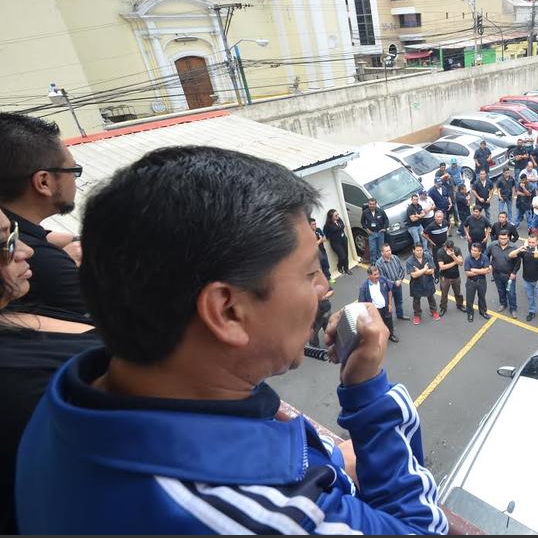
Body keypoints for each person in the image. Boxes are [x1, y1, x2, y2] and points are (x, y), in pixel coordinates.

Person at [15, 146, 448, 535]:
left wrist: (332, 463)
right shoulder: (262, 512)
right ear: (226, 311)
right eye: (309, 273)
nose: (322, 289)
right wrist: (369, 396)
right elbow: (420, 529)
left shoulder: (70, 402)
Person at [0, 208, 99, 534]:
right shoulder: (27, 388)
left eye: (17, 233)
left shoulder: (14, 310)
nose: (26, 250)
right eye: (7, 243)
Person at [0, 113, 86, 321]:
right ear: (44, 182)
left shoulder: (19, 230)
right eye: (73, 171)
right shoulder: (44, 263)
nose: (24, 251)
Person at [511, 231, 538, 327]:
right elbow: (511, 255)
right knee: (530, 297)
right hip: (527, 279)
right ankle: (532, 311)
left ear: (537, 242)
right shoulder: (525, 250)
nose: (531, 244)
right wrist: (519, 249)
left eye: (533, 242)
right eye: (529, 242)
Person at [358, 265, 397, 342]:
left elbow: (389, 291)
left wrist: (390, 304)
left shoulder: (383, 279)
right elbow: (362, 303)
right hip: (375, 310)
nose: (377, 276)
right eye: (375, 274)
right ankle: (380, 338)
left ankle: (390, 335)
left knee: (389, 322)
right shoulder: (364, 287)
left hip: (386, 307)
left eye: (378, 273)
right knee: (377, 325)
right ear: (369, 276)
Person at [487, 230, 519, 317]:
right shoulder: (492, 245)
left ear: (508, 238)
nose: (503, 240)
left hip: (509, 275)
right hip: (496, 274)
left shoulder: (514, 248)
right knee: (500, 290)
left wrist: (514, 273)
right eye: (501, 238)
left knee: (511, 292)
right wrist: (489, 265)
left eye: (505, 238)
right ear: (498, 238)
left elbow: (518, 262)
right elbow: (486, 255)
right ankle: (503, 304)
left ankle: (513, 308)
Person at [407, 243, 439, 324]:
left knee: (431, 297)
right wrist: (425, 269)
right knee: (416, 300)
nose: (419, 252)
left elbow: (432, 270)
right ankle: (417, 315)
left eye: (421, 250)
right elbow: (414, 275)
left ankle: (434, 311)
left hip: (428, 282)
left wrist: (419, 271)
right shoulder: (409, 261)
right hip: (416, 284)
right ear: (413, 251)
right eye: (417, 250)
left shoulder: (427, 256)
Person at [376, 243, 408, 321]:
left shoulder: (395, 258)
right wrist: (394, 283)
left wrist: (400, 280)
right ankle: (388, 320)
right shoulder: (379, 263)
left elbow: (402, 270)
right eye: (386, 251)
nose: (389, 252)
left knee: (399, 301)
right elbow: (382, 278)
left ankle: (400, 315)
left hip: (398, 284)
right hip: (387, 288)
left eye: (389, 250)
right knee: (387, 304)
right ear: (382, 253)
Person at [436, 240, 465, 317]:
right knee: (444, 294)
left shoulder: (457, 250)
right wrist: (455, 262)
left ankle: (460, 305)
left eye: (450, 249)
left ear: (453, 247)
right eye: (446, 248)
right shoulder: (440, 252)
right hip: (444, 277)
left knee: (458, 293)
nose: (448, 250)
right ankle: (443, 308)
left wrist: (453, 256)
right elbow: (442, 267)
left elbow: (461, 263)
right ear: (444, 246)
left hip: (456, 276)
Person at [463, 243, 491, 322]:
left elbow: (487, 270)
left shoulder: (484, 258)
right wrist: (481, 271)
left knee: (482, 297)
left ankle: (483, 311)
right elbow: (468, 273)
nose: (472, 252)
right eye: (472, 250)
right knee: (469, 299)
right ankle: (470, 313)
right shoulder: (468, 259)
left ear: (480, 252)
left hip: (482, 281)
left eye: (475, 251)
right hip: (471, 282)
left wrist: (475, 270)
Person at [423, 210, 450, 281]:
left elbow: (449, 225)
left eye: (441, 217)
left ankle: (445, 273)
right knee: (436, 262)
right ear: (434, 218)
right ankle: (437, 276)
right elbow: (423, 234)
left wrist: (447, 232)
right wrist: (431, 242)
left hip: (445, 245)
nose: (439, 218)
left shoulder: (445, 222)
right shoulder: (431, 226)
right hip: (436, 246)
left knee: (446, 259)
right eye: (437, 217)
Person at [323, 209, 352, 275]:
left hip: (343, 239)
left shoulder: (339, 220)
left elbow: (343, 226)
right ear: (331, 217)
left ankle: (346, 268)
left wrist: (338, 228)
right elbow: (326, 233)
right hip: (336, 243)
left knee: (346, 254)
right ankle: (339, 266)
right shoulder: (328, 225)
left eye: (338, 214)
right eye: (336, 215)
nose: (338, 216)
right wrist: (333, 234)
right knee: (342, 256)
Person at [360, 198, 389, 263]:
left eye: (373, 204)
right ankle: (374, 263)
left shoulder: (381, 211)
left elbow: (386, 220)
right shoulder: (365, 212)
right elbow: (362, 222)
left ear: (375, 204)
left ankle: (381, 262)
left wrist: (385, 228)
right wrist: (367, 229)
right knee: (372, 249)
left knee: (380, 248)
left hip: (380, 233)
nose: (371, 205)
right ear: (368, 204)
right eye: (370, 204)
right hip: (371, 233)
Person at [310, 217, 333, 284]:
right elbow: (313, 245)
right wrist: (320, 240)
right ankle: (321, 282)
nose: (315, 225)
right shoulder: (308, 234)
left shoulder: (318, 230)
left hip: (322, 251)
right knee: (318, 268)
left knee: (325, 264)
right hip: (315, 254)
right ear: (309, 225)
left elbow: (325, 239)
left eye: (315, 223)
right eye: (313, 224)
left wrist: (319, 241)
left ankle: (328, 278)